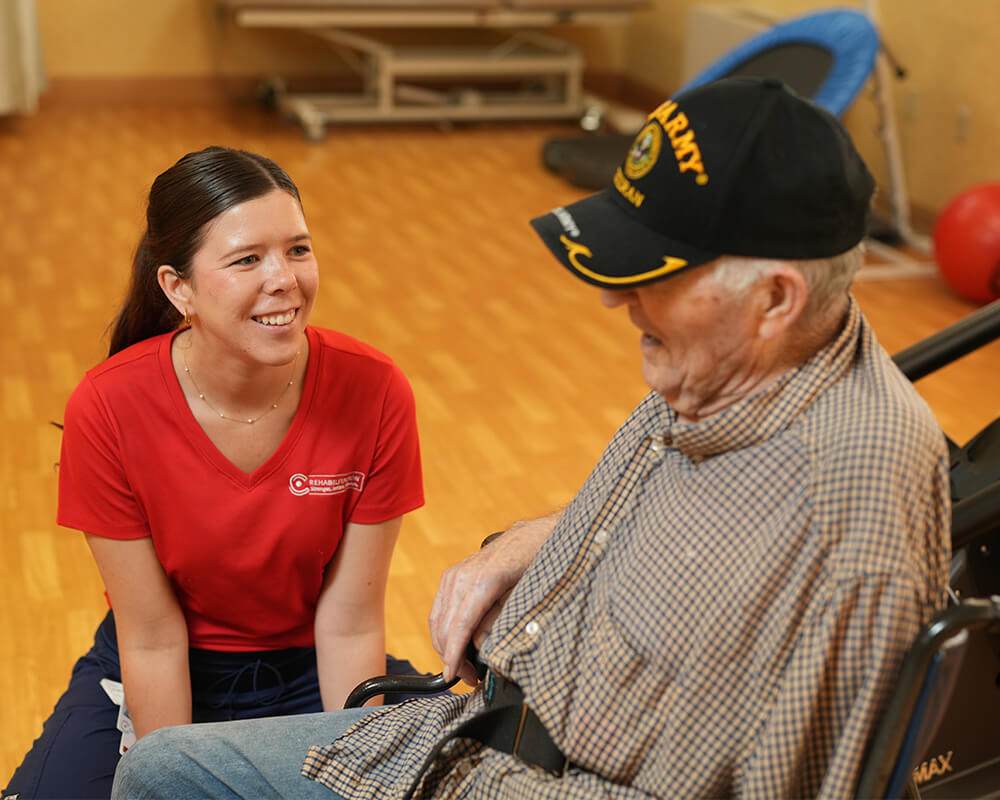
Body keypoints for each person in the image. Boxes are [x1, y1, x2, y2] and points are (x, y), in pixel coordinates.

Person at [110, 77, 951, 800]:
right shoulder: (746, 361)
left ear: (774, 297)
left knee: (162, 780)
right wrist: (529, 541)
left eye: (653, 277)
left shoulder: (851, 496)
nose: (616, 304)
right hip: (483, 725)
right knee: (160, 767)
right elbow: (710, 511)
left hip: (536, 777)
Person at [4, 146, 425, 800]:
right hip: (159, 665)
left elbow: (350, 623)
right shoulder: (108, 406)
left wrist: (354, 778)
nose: (284, 279)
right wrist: (171, 774)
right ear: (178, 288)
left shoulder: (375, 391)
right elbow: (151, 638)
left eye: (298, 249)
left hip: (314, 668)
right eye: (247, 259)